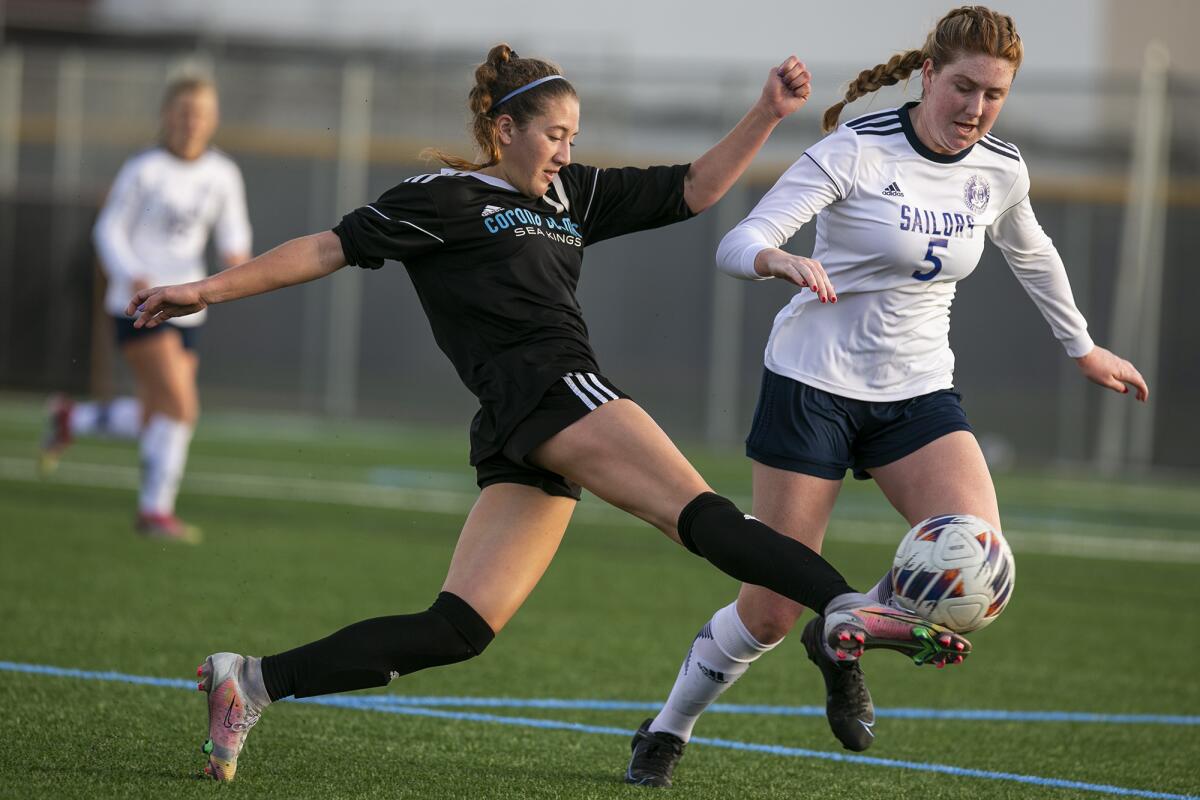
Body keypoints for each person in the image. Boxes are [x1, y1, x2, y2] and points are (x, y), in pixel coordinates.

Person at [128, 45, 971, 784]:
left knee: (457, 629)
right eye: (555, 134)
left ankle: (253, 680)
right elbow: (323, 247)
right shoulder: (444, 197)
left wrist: (765, 113)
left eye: (574, 136)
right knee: (703, 517)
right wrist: (203, 290)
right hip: (551, 390)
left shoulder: (569, 196)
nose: (568, 151)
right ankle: (850, 606)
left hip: (527, 421)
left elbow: (691, 191)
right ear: (505, 131)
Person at [625, 5, 1149, 788]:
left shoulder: (1000, 169)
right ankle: (669, 728)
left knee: (979, 560)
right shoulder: (855, 150)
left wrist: (1082, 347)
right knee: (768, 611)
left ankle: (846, 629)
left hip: (917, 394)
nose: (975, 109)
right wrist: (780, 261)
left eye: (994, 95)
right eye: (963, 87)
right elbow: (740, 239)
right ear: (928, 75)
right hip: (813, 387)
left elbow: (1032, 253)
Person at [41, 75, 252, 543]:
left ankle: (71, 419)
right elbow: (108, 231)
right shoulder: (144, 168)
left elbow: (236, 238)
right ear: (166, 116)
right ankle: (154, 511)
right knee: (180, 406)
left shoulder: (223, 173)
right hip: (137, 303)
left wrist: (238, 263)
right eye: (182, 111)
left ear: (213, 120)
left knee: (158, 412)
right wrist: (132, 271)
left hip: (190, 306)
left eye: (200, 113)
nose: (190, 121)